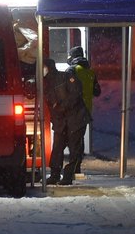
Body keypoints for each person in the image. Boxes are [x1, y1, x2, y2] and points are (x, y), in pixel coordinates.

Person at [43, 58, 90, 185]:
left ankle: (68, 176)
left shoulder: (65, 77)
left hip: (76, 119)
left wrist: (62, 106)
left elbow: (76, 93)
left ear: (49, 67)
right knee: (57, 147)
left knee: (74, 149)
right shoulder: (46, 84)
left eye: (44, 67)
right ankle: (55, 174)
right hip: (62, 121)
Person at [67, 45, 101, 176]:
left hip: (73, 110)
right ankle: (77, 166)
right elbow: (97, 91)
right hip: (86, 111)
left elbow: (66, 89)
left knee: (71, 140)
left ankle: (71, 168)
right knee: (78, 140)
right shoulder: (91, 72)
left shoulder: (72, 70)